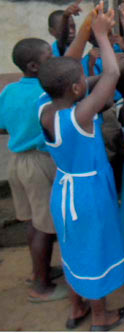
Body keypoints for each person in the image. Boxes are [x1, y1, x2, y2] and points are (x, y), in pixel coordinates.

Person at [38, 5, 124, 331]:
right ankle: (101, 318)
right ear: (78, 89)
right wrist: (102, 37)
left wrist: (88, 27)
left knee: (74, 248)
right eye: (81, 80)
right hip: (88, 195)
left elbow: (64, 71)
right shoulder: (80, 117)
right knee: (94, 249)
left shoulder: (45, 110)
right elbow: (111, 75)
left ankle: (77, 308)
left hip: (64, 189)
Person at [0, 38, 67, 303]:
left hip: (17, 162)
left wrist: (21, 133)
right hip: (40, 162)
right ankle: (41, 286)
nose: (53, 59)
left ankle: (39, 271)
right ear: (34, 66)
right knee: (44, 227)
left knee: (32, 222)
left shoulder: (8, 91)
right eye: (49, 57)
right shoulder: (44, 92)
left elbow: (3, 126)